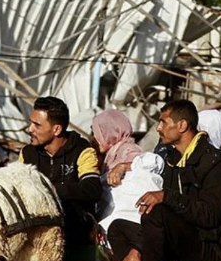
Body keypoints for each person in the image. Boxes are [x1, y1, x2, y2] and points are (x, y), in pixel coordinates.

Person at [106, 100, 221, 261]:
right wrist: (136, 250)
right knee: (117, 227)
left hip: (213, 245)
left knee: (157, 212)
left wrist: (167, 197)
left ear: (182, 126)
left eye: (163, 122)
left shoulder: (214, 162)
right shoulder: (172, 159)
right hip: (183, 237)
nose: (158, 128)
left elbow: (210, 215)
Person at [20, 96, 101, 244]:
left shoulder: (82, 150)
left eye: (37, 125)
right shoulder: (27, 153)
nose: (29, 129)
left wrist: (50, 191)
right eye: (31, 123)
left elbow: (92, 188)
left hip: (75, 224)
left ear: (56, 129)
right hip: (35, 220)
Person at [99, 152, 164, 234]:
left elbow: (156, 161)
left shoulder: (106, 180)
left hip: (164, 205)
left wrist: (124, 166)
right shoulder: (105, 227)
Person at [92, 109, 144, 187]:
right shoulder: (110, 156)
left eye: (99, 133)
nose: (94, 139)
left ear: (111, 132)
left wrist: (123, 167)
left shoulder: (128, 150)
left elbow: (142, 165)